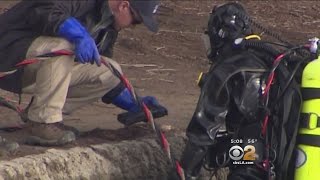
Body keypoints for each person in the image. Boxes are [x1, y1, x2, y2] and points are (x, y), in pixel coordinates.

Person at [0, 0, 167, 146]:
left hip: (37, 69)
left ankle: (37, 116)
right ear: (124, 6)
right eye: (136, 20)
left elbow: (99, 74)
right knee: (65, 46)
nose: (133, 26)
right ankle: (43, 121)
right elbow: (44, 8)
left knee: (108, 69)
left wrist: (135, 103)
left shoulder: (108, 27)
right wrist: (78, 34)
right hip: (9, 54)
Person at [179, 2, 303, 180]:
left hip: (250, 169)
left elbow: (202, 134)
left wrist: (183, 173)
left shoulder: (228, 68)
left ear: (218, 35)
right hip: (283, 166)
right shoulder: (274, 63)